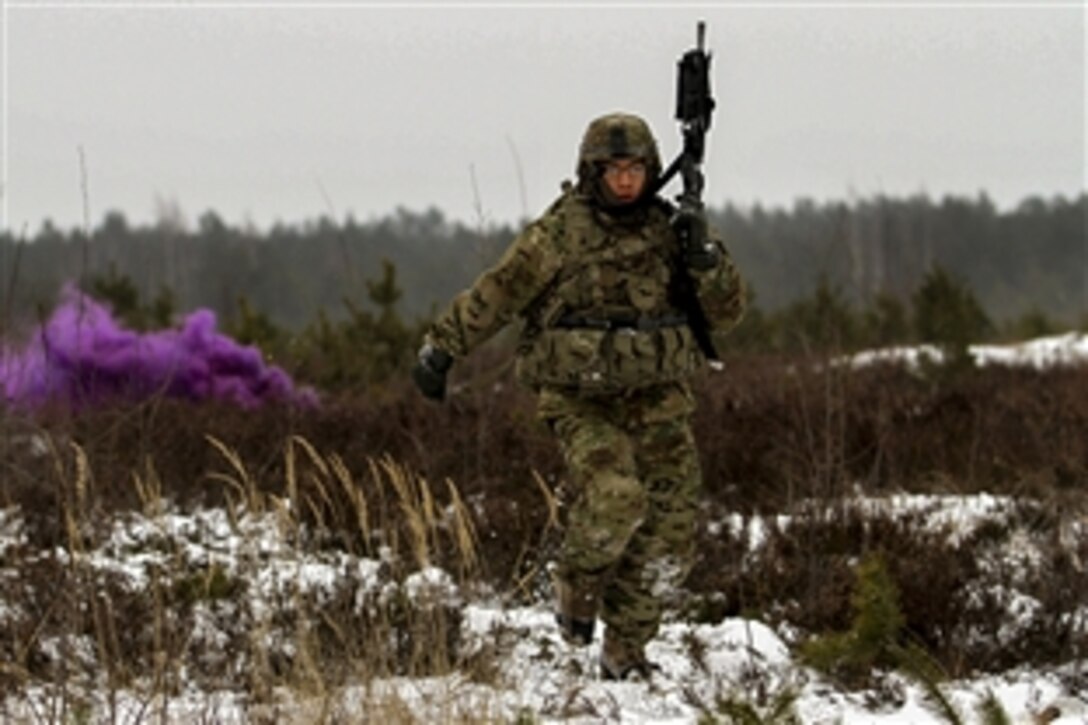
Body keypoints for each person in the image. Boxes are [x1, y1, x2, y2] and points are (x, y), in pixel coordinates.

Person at [412, 111, 745, 680]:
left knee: (673, 532)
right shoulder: (560, 233)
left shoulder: (672, 231)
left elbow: (729, 314)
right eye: (613, 169)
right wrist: (442, 348)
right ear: (592, 172)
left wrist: (704, 261)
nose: (625, 180)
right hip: (581, 399)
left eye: (635, 168)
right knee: (617, 496)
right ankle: (576, 577)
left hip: (659, 398)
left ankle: (627, 651)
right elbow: (500, 291)